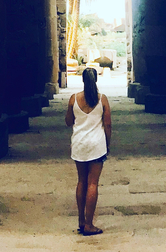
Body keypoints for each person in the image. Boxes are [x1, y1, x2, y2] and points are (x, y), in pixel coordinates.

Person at [65, 67, 112, 236]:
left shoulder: (74, 99)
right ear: (96, 80)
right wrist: (108, 144)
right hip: (97, 145)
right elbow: (107, 125)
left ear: (83, 80)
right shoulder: (102, 99)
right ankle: (89, 224)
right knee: (93, 183)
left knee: (81, 182)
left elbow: (69, 122)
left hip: (79, 144)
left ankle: (81, 221)